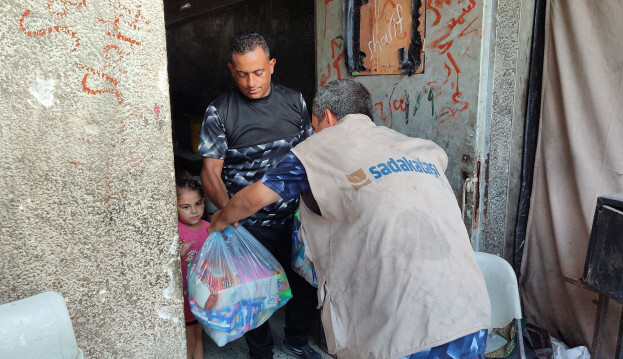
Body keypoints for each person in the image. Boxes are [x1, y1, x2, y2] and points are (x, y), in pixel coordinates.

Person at [207, 79, 492, 359]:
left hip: (408, 333)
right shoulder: (418, 147)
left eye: (314, 126)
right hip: (471, 314)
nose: (314, 133)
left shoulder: (318, 150)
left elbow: (250, 199)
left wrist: (219, 218)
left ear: (327, 119)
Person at [198, 33, 320, 359]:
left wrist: (314, 210)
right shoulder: (219, 112)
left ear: (272, 66)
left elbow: (309, 155)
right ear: (231, 70)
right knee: (252, 294)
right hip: (249, 223)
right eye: (241, 74)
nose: (250, 82)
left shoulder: (294, 101)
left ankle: (296, 341)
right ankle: (261, 352)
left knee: (306, 283)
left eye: (258, 72)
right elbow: (210, 173)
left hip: (295, 216)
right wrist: (228, 213)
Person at [176, 175, 209, 359]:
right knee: (189, 339)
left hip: (203, 294)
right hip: (186, 296)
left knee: (198, 335)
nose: (194, 211)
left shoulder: (208, 227)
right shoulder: (177, 232)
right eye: (186, 207)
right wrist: (178, 254)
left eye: (198, 204)